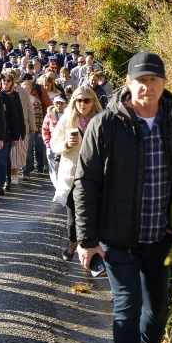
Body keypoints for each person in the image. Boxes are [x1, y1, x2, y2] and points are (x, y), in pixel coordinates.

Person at [74, 52, 172, 343]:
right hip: (118, 238)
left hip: (161, 238)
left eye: (153, 80)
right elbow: (85, 182)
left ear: (164, 83)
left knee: (157, 314)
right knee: (127, 310)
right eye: (140, 80)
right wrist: (87, 240)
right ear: (128, 83)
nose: (147, 87)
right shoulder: (105, 124)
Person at [51, 86, 103, 261]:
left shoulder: (100, 119)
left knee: (94, 211)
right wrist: (66, 144)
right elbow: (53, 144)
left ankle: (91, 247)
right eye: (78, 100)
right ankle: (73, 242)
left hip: (94, 172)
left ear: (93, 101)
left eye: (86, 100)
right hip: (72, 173)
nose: (82, 104)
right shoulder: (67, 120)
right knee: (73, 214)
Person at [42, 96, 66, 187]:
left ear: (65, 104)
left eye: (61, 103)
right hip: (52, 145)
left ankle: (63, 186)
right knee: (53, 167)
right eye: (57, 103)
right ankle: (57, 187)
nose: (59, 105)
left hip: (64, 145)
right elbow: (45, 129)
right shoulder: (50, 115)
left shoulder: (68, 114)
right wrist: (47, 143)